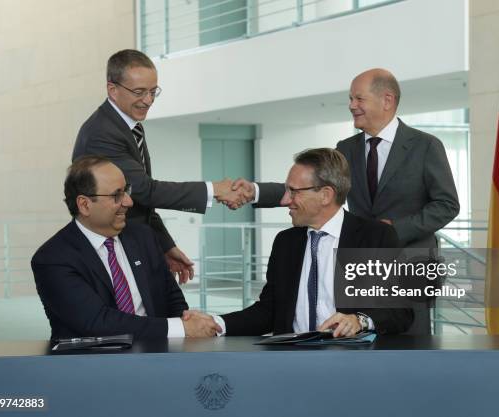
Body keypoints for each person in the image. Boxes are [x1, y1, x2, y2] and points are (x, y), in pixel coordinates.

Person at [231, 69, 460, 333]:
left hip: (408, 262)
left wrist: (392, 230)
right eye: (351, 99)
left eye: (358, 99)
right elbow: (315, 185)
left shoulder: (425, 145)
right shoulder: (347, 147)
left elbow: (447, 204)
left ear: (387, 100)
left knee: (408, 340)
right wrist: (255, 191)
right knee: (355, 332)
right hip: (357, 260)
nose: (352, 106)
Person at [72, 49, 246, 284]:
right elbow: (145, 190)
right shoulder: (102, 133)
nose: (148, 100)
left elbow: (143, 201)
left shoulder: (130, 126)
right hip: (112, 250)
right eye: (139, 92)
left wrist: (165, 245)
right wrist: (214, 189)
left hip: (135, 243)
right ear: (112, 89)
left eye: (153, 92)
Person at [197, 148, 413, 336]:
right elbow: (269, 312)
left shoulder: (375, 238)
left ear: (326, 195)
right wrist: (216, 324)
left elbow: (400, 312)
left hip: (351, 364)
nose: (284, 200)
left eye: (293, 191)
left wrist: (359, 321)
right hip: (291, 365)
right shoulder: (285, 243)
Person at [31, 156, 222, 340]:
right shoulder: (53, 258)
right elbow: (97, 322)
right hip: (91, 367)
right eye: (117, 195)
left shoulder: (143, 237)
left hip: (158, 358)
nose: (128, 202)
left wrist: (187, 325)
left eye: (126, 190)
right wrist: (181, 327)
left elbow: (172, 298)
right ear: (84, 204)